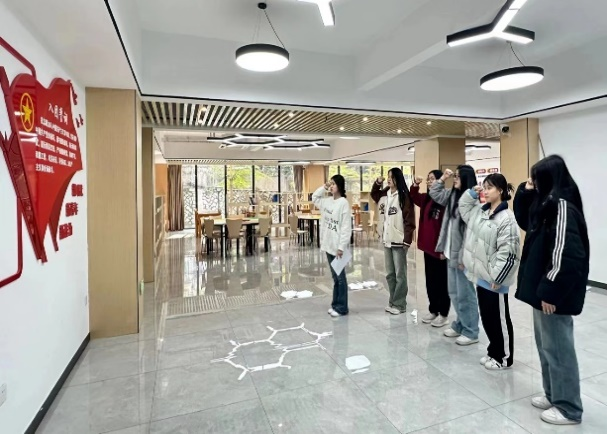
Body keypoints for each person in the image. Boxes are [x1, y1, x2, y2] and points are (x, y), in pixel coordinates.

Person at [513, 155, 589, 426]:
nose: (533, 182)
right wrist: (524, 192)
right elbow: (526, 221)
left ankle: (569, 407)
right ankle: (553, 394)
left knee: (558, 350)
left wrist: (551, 291)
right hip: (541, 290)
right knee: (546, 347)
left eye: (536, 178)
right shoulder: (546, 203)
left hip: (553, 293)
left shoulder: (562, 206)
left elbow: (566, 254)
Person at [459, 174, 521, 370]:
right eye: (484, 187)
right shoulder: (481, 211)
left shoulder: (507, 218)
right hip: (482, 275)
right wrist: (471, 194)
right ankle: (493, 351)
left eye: (489, 188)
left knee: (499, 318)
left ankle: (503, 357)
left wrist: (498, 278)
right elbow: (464, 210)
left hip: (495, 279)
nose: (485, 191)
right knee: (487, 317)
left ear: (500, 190)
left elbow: (509, 253)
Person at [429, 165, 479, 345]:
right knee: (454, 293)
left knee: (465, 294)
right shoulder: (452, 195)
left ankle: (471, 331)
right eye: (454, 176)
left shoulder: (472, 201)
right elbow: (434, 193)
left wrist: (464, 257)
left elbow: (470, 233)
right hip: (451, 252)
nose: (454, 179)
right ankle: (460, 324)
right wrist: (443, 178)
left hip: (463, 257)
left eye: (458, 176)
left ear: (466, 178)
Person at [371, 168, 416, 315]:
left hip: (399, 240)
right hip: (387, 239)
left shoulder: (404, 196)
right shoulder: (385, 194)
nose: (389, 179)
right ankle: (393, 301)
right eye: (388, 177)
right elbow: (374, 194)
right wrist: (378, 183)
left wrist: (407, 240)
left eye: (392, 177)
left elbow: (409, 220)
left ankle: (400, 304)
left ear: (398, 178)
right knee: (390, 274)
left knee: (400, 275)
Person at [410, 170, 450, 327]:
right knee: (431, 281)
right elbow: (413, 196)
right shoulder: (426, 198)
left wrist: (444, 249)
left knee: (442, 283)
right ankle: (433, 310)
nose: (429, 181)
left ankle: (444, 313)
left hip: (439, 250)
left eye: (432, 179)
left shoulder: (444, 201)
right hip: (428, 248)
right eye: (428, 179)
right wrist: (415, 184)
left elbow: (446, 227)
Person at [312, 174, 353, 318]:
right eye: (330, 184)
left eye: (334, 184)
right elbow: (314, 198)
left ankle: (342, 307)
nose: (331, 186)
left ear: (340, 186)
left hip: (337, 247)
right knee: (335, 277)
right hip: (328, 244)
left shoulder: (343, 203)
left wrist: (341, 247)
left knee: (340, 277)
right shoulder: (327, 201)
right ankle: (335, 304)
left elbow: (346, 227)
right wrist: (324, 187)